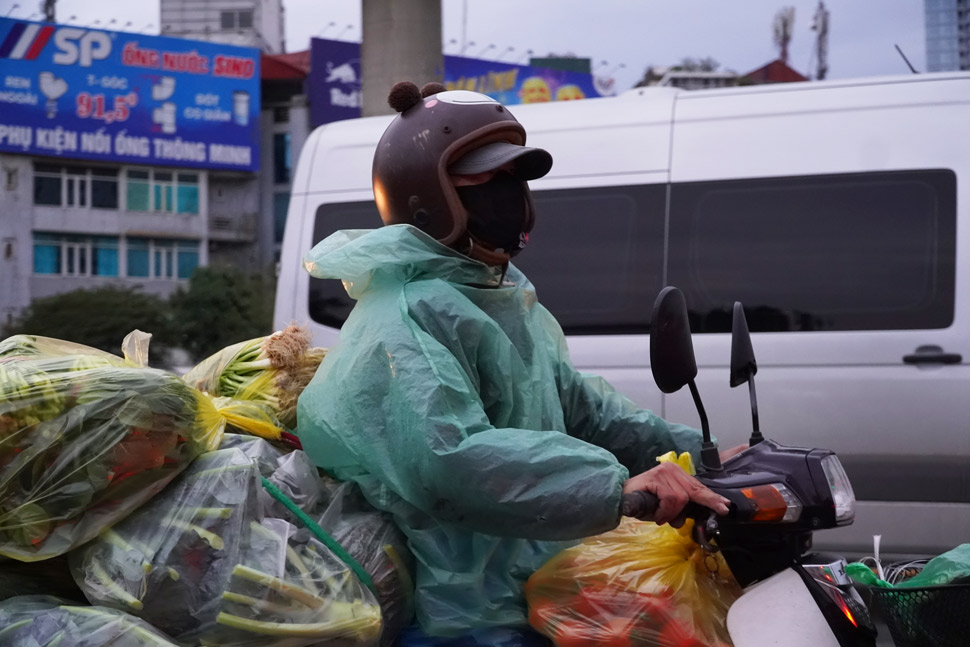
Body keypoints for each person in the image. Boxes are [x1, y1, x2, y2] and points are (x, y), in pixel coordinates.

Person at [297, 81, 739, 646]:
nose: (511, 195)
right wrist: (615, 487)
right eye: (488, 180)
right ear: (426, 197)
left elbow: (576, 406)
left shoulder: (495, 296)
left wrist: (700, 453)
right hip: (458, 611)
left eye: (516, 179)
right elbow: (453, 460)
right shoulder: (404, 317)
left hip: (529, 582)